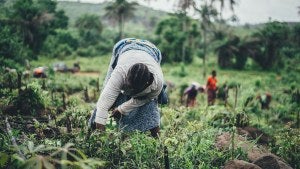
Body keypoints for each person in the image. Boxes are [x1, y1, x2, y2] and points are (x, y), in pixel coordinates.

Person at [88, 38, 167, 137]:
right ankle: (93, 129)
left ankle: (156, 138)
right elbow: (103, 105)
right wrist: (101, 137)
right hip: (125, 46)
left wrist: (122, 109)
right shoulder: (120, 73)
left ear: (146, 84)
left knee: (150, 105)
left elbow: (144, 99)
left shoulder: (157, 83)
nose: (130, 92)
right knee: (107, 93)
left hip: (152, 51)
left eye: (134, 90)